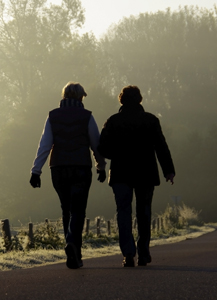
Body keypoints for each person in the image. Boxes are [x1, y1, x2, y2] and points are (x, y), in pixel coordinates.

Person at [29, 82, 106, 269]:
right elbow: (96, 144)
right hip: (81, 166)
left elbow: (45, 145)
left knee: (66, 209)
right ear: (81, 97)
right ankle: (73, 245)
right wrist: (101, 166)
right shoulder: (87, 116)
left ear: (64, 96)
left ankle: (73, 251)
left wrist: (36, 171)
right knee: (78, 209)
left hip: (58, 167)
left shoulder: (52, 116)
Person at [97, 85, 175, 267]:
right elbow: (161, 147)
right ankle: (143, 251)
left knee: (123, 212)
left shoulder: (113, 121)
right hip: (145, 173)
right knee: (144, 212)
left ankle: (128, 253)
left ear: (121, 100)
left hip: (121, 173)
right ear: (140, 100)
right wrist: (168, 170)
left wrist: (116, 153)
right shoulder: (151, 120)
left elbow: (102, 147)